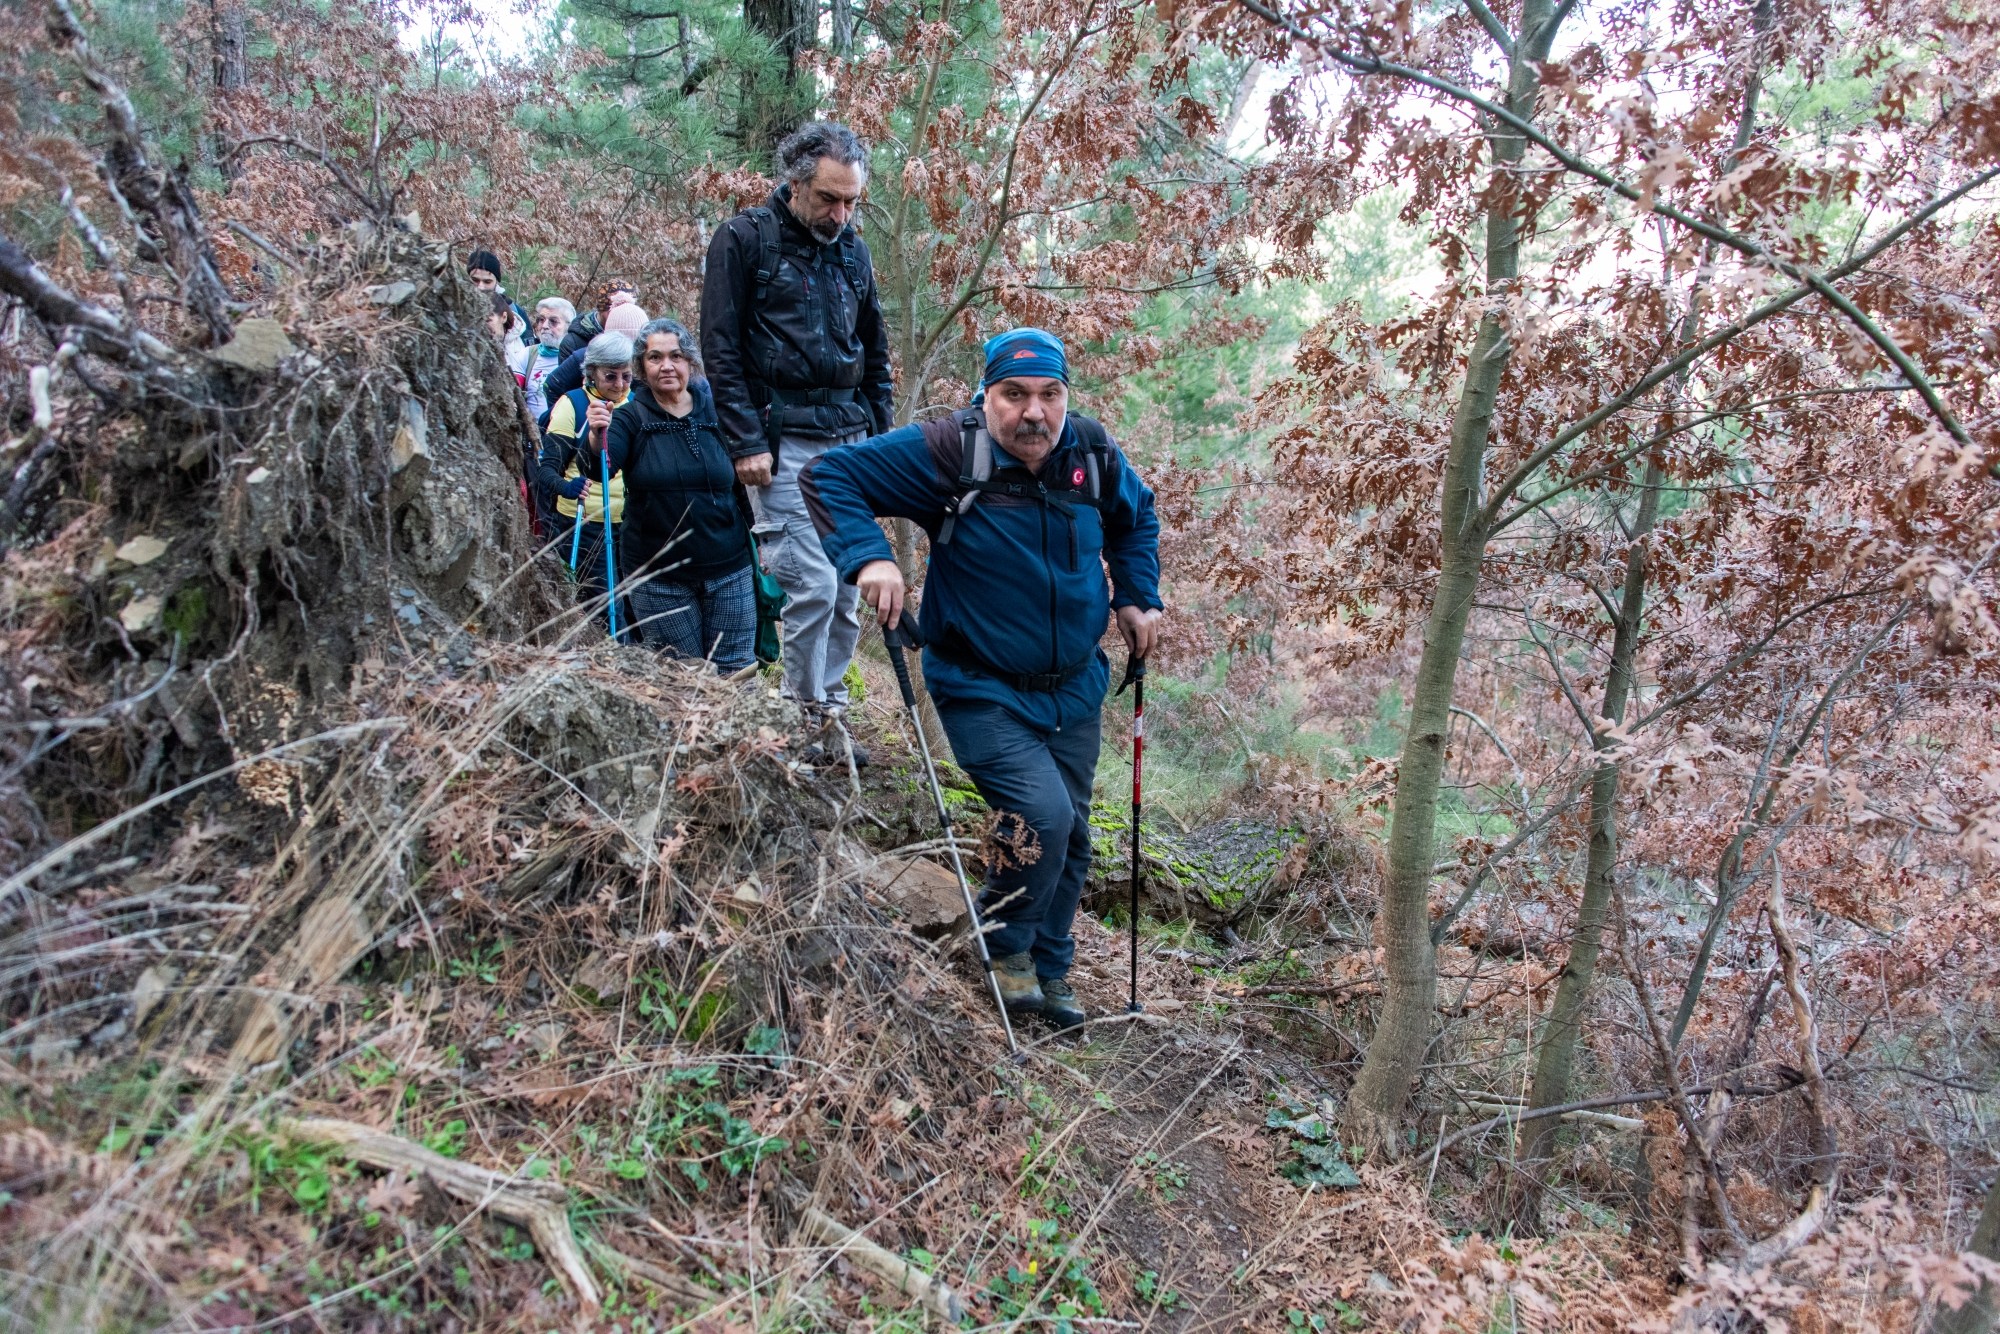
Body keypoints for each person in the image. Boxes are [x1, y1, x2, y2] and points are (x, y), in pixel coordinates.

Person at [802, 328, 1164, 1028]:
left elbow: (1136, 519)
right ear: (987, 395)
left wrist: (1135, 596)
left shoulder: (1090, 452)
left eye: (1049, 395)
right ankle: (1004, 949)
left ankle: (1050, 967)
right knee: (1043, 816)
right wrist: (869, 558)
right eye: (1015, 395)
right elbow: (830, 476)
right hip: (979, 685)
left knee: (1072, 832)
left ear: (1066, 397)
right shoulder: (948, 450)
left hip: (1075, 686)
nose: (1034, 413)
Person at [702, 120, 892, 754]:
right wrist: (744, 440)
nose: (840, 213)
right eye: (828, 199)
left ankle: (831, 712)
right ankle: (800, 717)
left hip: (851, 438)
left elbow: (875, 353)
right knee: (809, 582)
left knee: (846, 586)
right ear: (794, 183)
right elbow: (721, 349)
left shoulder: (854, 251)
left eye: (851, 201)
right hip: (780, 441)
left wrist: (883, 445)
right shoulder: (743, 240)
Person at [583, 318, 756, 670]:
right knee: (682, 675)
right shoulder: (630, 418)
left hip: (729, 567)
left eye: (675, 356)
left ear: (689, 362)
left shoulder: (719, 414)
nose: (666, 366)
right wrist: (595, 434)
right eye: (654, 357)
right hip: (658, 576)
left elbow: (741, 485)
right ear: (641, 368)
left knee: (737, 671)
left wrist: (760, 539)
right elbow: (599, 466)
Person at [538, 332, 632, 630]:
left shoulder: (636, 405)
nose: (619, 385)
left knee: (630, 603)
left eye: (626, 376)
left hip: (630, 523)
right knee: (603, 604)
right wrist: (568, 487)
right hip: (584, 522)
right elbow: (547, 469)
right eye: (610, 376)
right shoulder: (572, 405)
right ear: (591, 373)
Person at [540, 301, 651, 432]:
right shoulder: (583, 356)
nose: (619, 383)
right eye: (611, 376)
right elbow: (552, 385)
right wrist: (571, 410)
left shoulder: (645, 359)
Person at [515, 297, 574, 424]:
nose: (545, 326)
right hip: (532, 434)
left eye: (553, 321)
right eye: (541, 320)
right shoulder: (528, 354)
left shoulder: (576, 357)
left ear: (568, 326)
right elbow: (512, 391)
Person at [559, 281, 638, 360]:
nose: (621, 317)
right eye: (615, 311)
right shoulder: (572, 343)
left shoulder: (634, 334)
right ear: (602, 310)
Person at [467, 250, 528, 343]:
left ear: (496, 282)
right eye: (475, 280)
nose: (480, 286)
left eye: (487, 282)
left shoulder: (515, 312)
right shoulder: (453, 305)